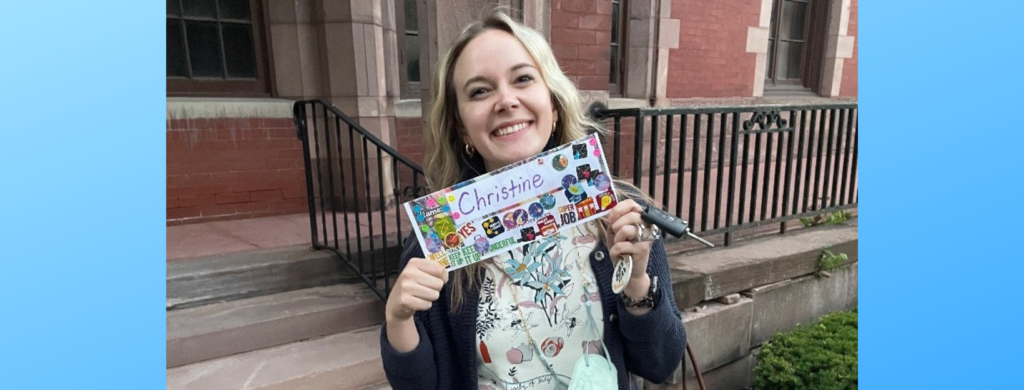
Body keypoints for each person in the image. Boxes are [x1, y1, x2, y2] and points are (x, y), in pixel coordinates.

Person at [380, 11, 686, 390]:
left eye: (523, 79)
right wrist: (398, 318)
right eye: (479, 91)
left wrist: (637, 282)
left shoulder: (618, 212)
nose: (506, 101)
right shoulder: (441, 237)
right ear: (461, 127)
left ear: (554, 106)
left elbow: (660, 364)